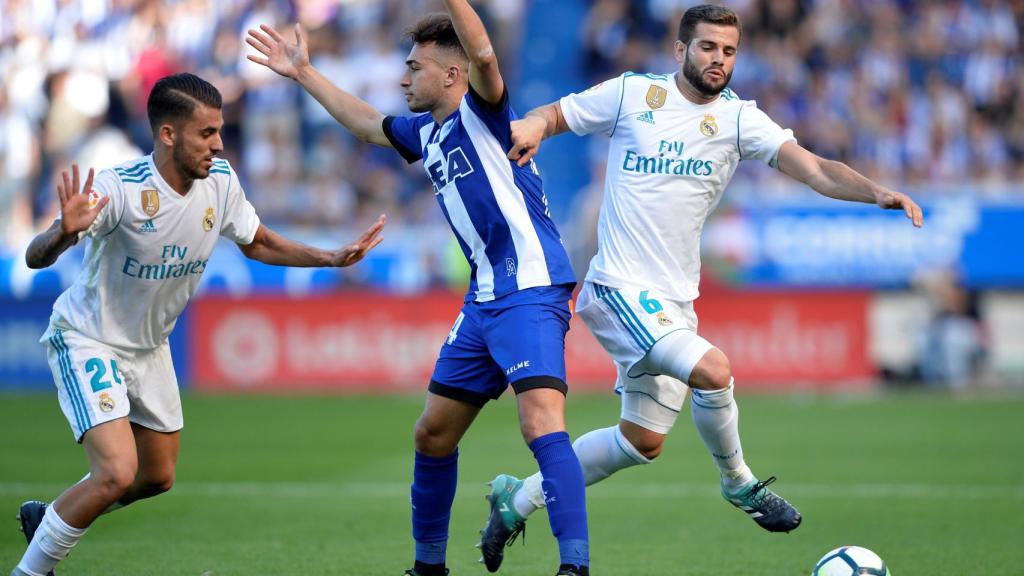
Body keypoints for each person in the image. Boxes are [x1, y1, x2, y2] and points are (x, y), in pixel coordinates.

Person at [478, 3, 925, 571]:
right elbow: (556, 113)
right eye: (709, 47)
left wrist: (878, 192)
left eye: (729, 51)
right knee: (714, 370)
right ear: (681, 49)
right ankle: (740, 484)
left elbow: (813, 168)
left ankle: (515, 500)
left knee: (640, 442)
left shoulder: (740, 120)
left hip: (672, 301)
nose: (719, 60)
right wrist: (535, 126)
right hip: (617, 287)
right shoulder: (633, 94)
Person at [245, 3, 591, 575]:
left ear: (451, 76)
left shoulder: (485, 113)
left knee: (540, 423)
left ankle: (574, 567)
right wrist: (303, 73)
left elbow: (482, 51)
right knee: (432, 434)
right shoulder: (426, 133)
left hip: (530, 285)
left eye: (415, 68)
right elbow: (366, 124)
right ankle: (428, 568)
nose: (403, 78)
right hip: (484, 298)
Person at [11, 72, 386, 576]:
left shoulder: (222, 183)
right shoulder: (119, 189)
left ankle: (54, 518)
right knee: (116, 473)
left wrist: (330, 258)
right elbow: (37, 257)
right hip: (89, 339)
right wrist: (61, 232)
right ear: (168, 135)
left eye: (220, 131)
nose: (219, 144)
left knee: (156, 477)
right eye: (206, 133)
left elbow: (257, 242)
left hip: (150, 347)